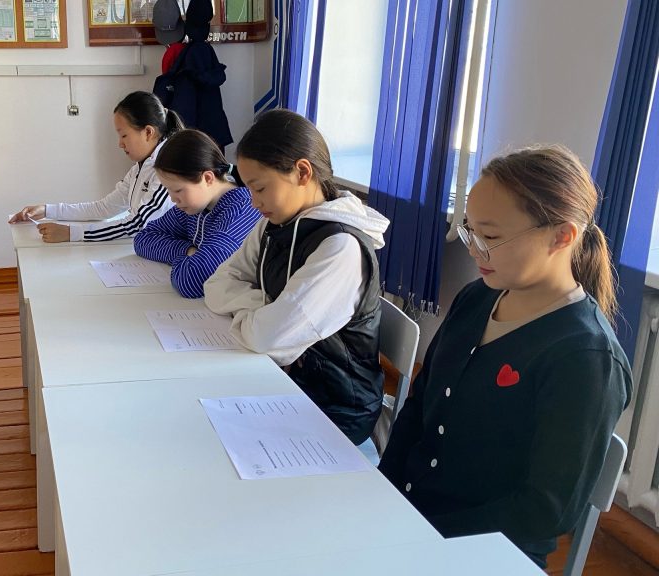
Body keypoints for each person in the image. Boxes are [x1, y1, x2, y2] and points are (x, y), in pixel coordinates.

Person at [378, 145, 632, 568]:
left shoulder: (585, 356)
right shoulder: (477, 298)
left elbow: (543, 511)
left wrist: (422, 536)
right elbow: (419, 406)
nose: (474, 250)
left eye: (491, 237)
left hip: (486, 551)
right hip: (408, 520)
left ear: (562, 236)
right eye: (470, 231)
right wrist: (380, 495)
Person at [204, 109, 390, 450]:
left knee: (204, 441)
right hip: (280, 381)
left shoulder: (341, 248)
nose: (254, 203)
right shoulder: (272, 225)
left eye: (260, 188)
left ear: (302, 172)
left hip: (333, 409)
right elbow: (215, 285)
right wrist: (266, 307)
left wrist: (259, 317)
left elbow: (267, 338)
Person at [8, 91, 183, 242]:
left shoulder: (168, 169)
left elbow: (137, 225)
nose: (120, 144)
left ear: (148, 132)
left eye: (124, 135)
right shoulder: (139, 168)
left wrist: (71, 233)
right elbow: (103, 208)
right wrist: (47, 210)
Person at [133, 129, 260, 298]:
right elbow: (143, 238)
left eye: (178, 190)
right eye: (169, 190)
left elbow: (191, 282)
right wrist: (189, 251)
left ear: (207, 178)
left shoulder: (240, 210)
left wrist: (192, 261)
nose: (173, 199)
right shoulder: (193, 208)